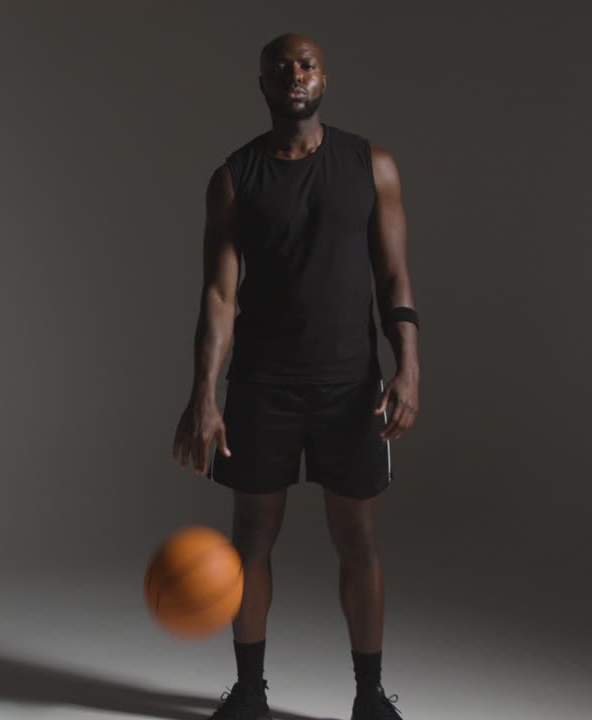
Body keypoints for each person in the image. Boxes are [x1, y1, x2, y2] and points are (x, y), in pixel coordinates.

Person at [171, 31, 421, 720]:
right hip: (262, 384)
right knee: (250, 537)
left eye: (306, 64)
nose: (295, 75)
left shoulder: (372, 165)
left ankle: (370, 696)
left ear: (324, 77)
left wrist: (409, 366)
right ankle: (249, 693)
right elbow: (218, 296)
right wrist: (204, 394)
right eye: (281, 67)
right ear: (263, 84)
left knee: (359, 540)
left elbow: (394, 274)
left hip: (351, 383)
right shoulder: (234, 177)